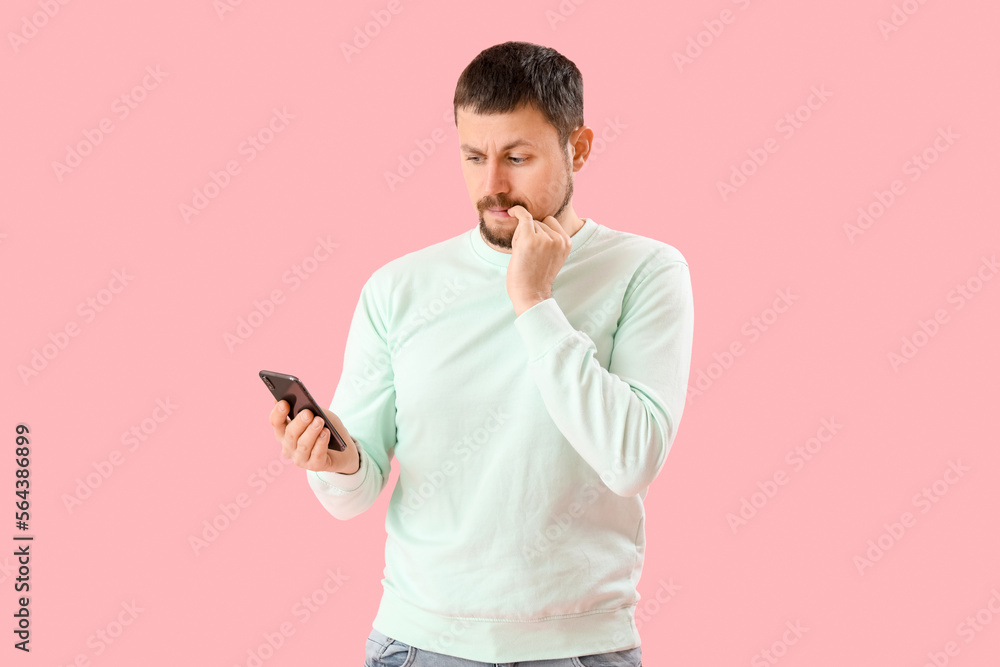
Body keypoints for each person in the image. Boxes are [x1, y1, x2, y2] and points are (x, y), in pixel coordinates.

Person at [269, 40, 693, 666]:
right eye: (474, 157)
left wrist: (534, 301)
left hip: (578, 648)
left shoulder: (646, 271)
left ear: (578, 148)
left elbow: (631, 461)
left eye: (517, 158)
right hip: (421, 644)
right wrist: (333, 463)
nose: (492, 186)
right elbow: (358, 491)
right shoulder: (398, 288)